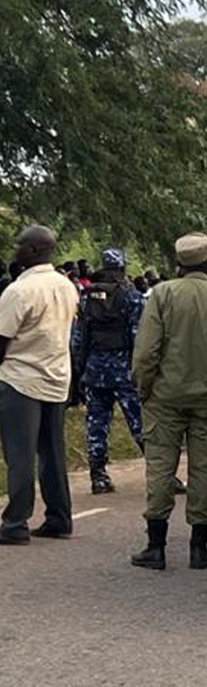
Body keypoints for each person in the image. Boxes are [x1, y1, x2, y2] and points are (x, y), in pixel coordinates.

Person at [130, 237, 207, 570]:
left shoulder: (163, 294)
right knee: (204, 469)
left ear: (179, 264)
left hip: (164, 397)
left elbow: (147, 351)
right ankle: (199, 549)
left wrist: (144, 386)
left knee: (160, 468)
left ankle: (156, 547)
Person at [0, 225, 78, 543]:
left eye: (20, 245)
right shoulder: (66, 286)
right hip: (57, 377)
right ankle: (59, 517)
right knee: (52, 451)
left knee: (20, 454)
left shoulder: (19, 291)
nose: (15, 249)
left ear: (32, 250)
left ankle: (15, 522)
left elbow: (2, 339)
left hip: (21, 379)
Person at [78, 248, 146, 495]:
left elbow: (80, 336)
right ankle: (161, 474)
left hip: (95, 368)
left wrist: (81, 367)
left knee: (96, 423)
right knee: (140, 422)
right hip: (124, 369)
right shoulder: (132, 297)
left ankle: (98, 476)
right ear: (123, 267)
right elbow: (139, 337)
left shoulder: (89, 296)